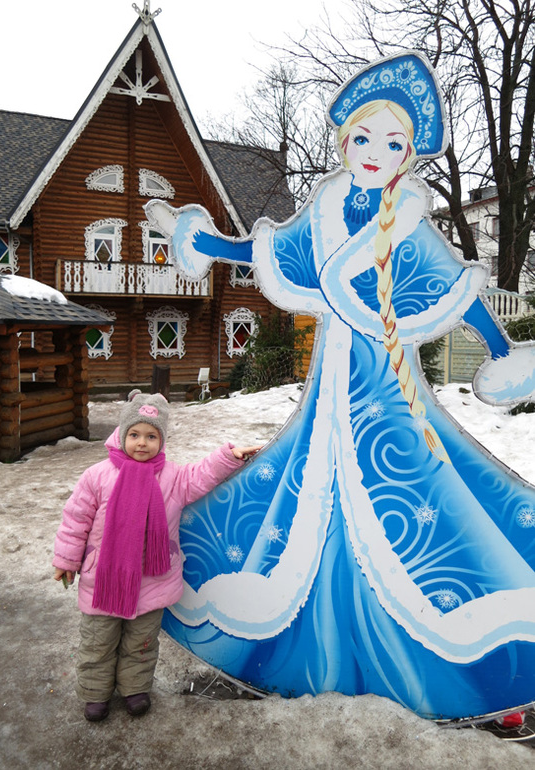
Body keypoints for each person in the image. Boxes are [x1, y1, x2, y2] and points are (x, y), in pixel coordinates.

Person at [144, 52, 535, 721]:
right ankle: (297, 645)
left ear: (410, 153)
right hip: (328, 396)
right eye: (363, 138)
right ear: (344, 141)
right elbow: (265, 252)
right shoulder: (323, 212)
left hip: (387, 395)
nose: (377, 152)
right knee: (301, 498)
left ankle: (456, 661)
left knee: (416, 496)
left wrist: (502, 348)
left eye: (394, 142)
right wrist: (204, 241)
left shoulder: (409, 224)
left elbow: (457, 293)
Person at [52, 389, 260, 722]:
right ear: (121, 435)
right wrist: (66, 560)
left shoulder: (173, 477)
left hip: (151, 583)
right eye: (134, 434)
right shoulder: (97, 476)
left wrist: (228, 455)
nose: (141, 443)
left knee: (141, 643)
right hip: (103, 581)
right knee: (98, 642)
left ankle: (135, 690)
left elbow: (201, 475)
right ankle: (95, 693)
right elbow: (76, 519)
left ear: (161, 441)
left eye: (151, 436)